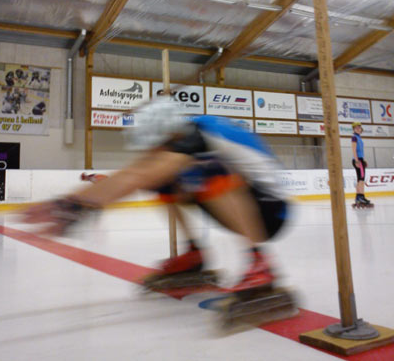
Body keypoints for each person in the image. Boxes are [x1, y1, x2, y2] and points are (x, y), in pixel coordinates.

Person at [20, 98, 289, 293]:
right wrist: (78, 202)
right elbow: (141, 172)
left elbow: (139, 174)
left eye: (156, 145)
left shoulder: (198, 136)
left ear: (168, 134)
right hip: (248, 205)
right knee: (164, 182)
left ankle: (259, 262)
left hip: (271, 211)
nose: (153, 151)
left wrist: (73, 205)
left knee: (208, 172)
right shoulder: (185, 136)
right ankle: (195, 253)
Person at [351, 122, 372, 207]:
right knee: (361, 179)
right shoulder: (354, 138)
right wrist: (357, 161)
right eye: (356, 128)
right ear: (354, 129)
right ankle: (360, 196)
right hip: (358, 160)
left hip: (360, 159)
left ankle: (359, 196)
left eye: (359, 128)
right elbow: (354, 150)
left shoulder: (359, 137)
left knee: (360, 179)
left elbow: (360, 151)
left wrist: (363, 160)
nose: (358, 129)